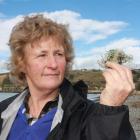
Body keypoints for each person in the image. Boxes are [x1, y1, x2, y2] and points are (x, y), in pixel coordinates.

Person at [0, 14, 136, 140]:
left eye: (59, 54)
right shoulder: (4, 111)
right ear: (22, 64)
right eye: (42, 55)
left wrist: (110, 113)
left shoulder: (90, 116)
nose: (53, 64)